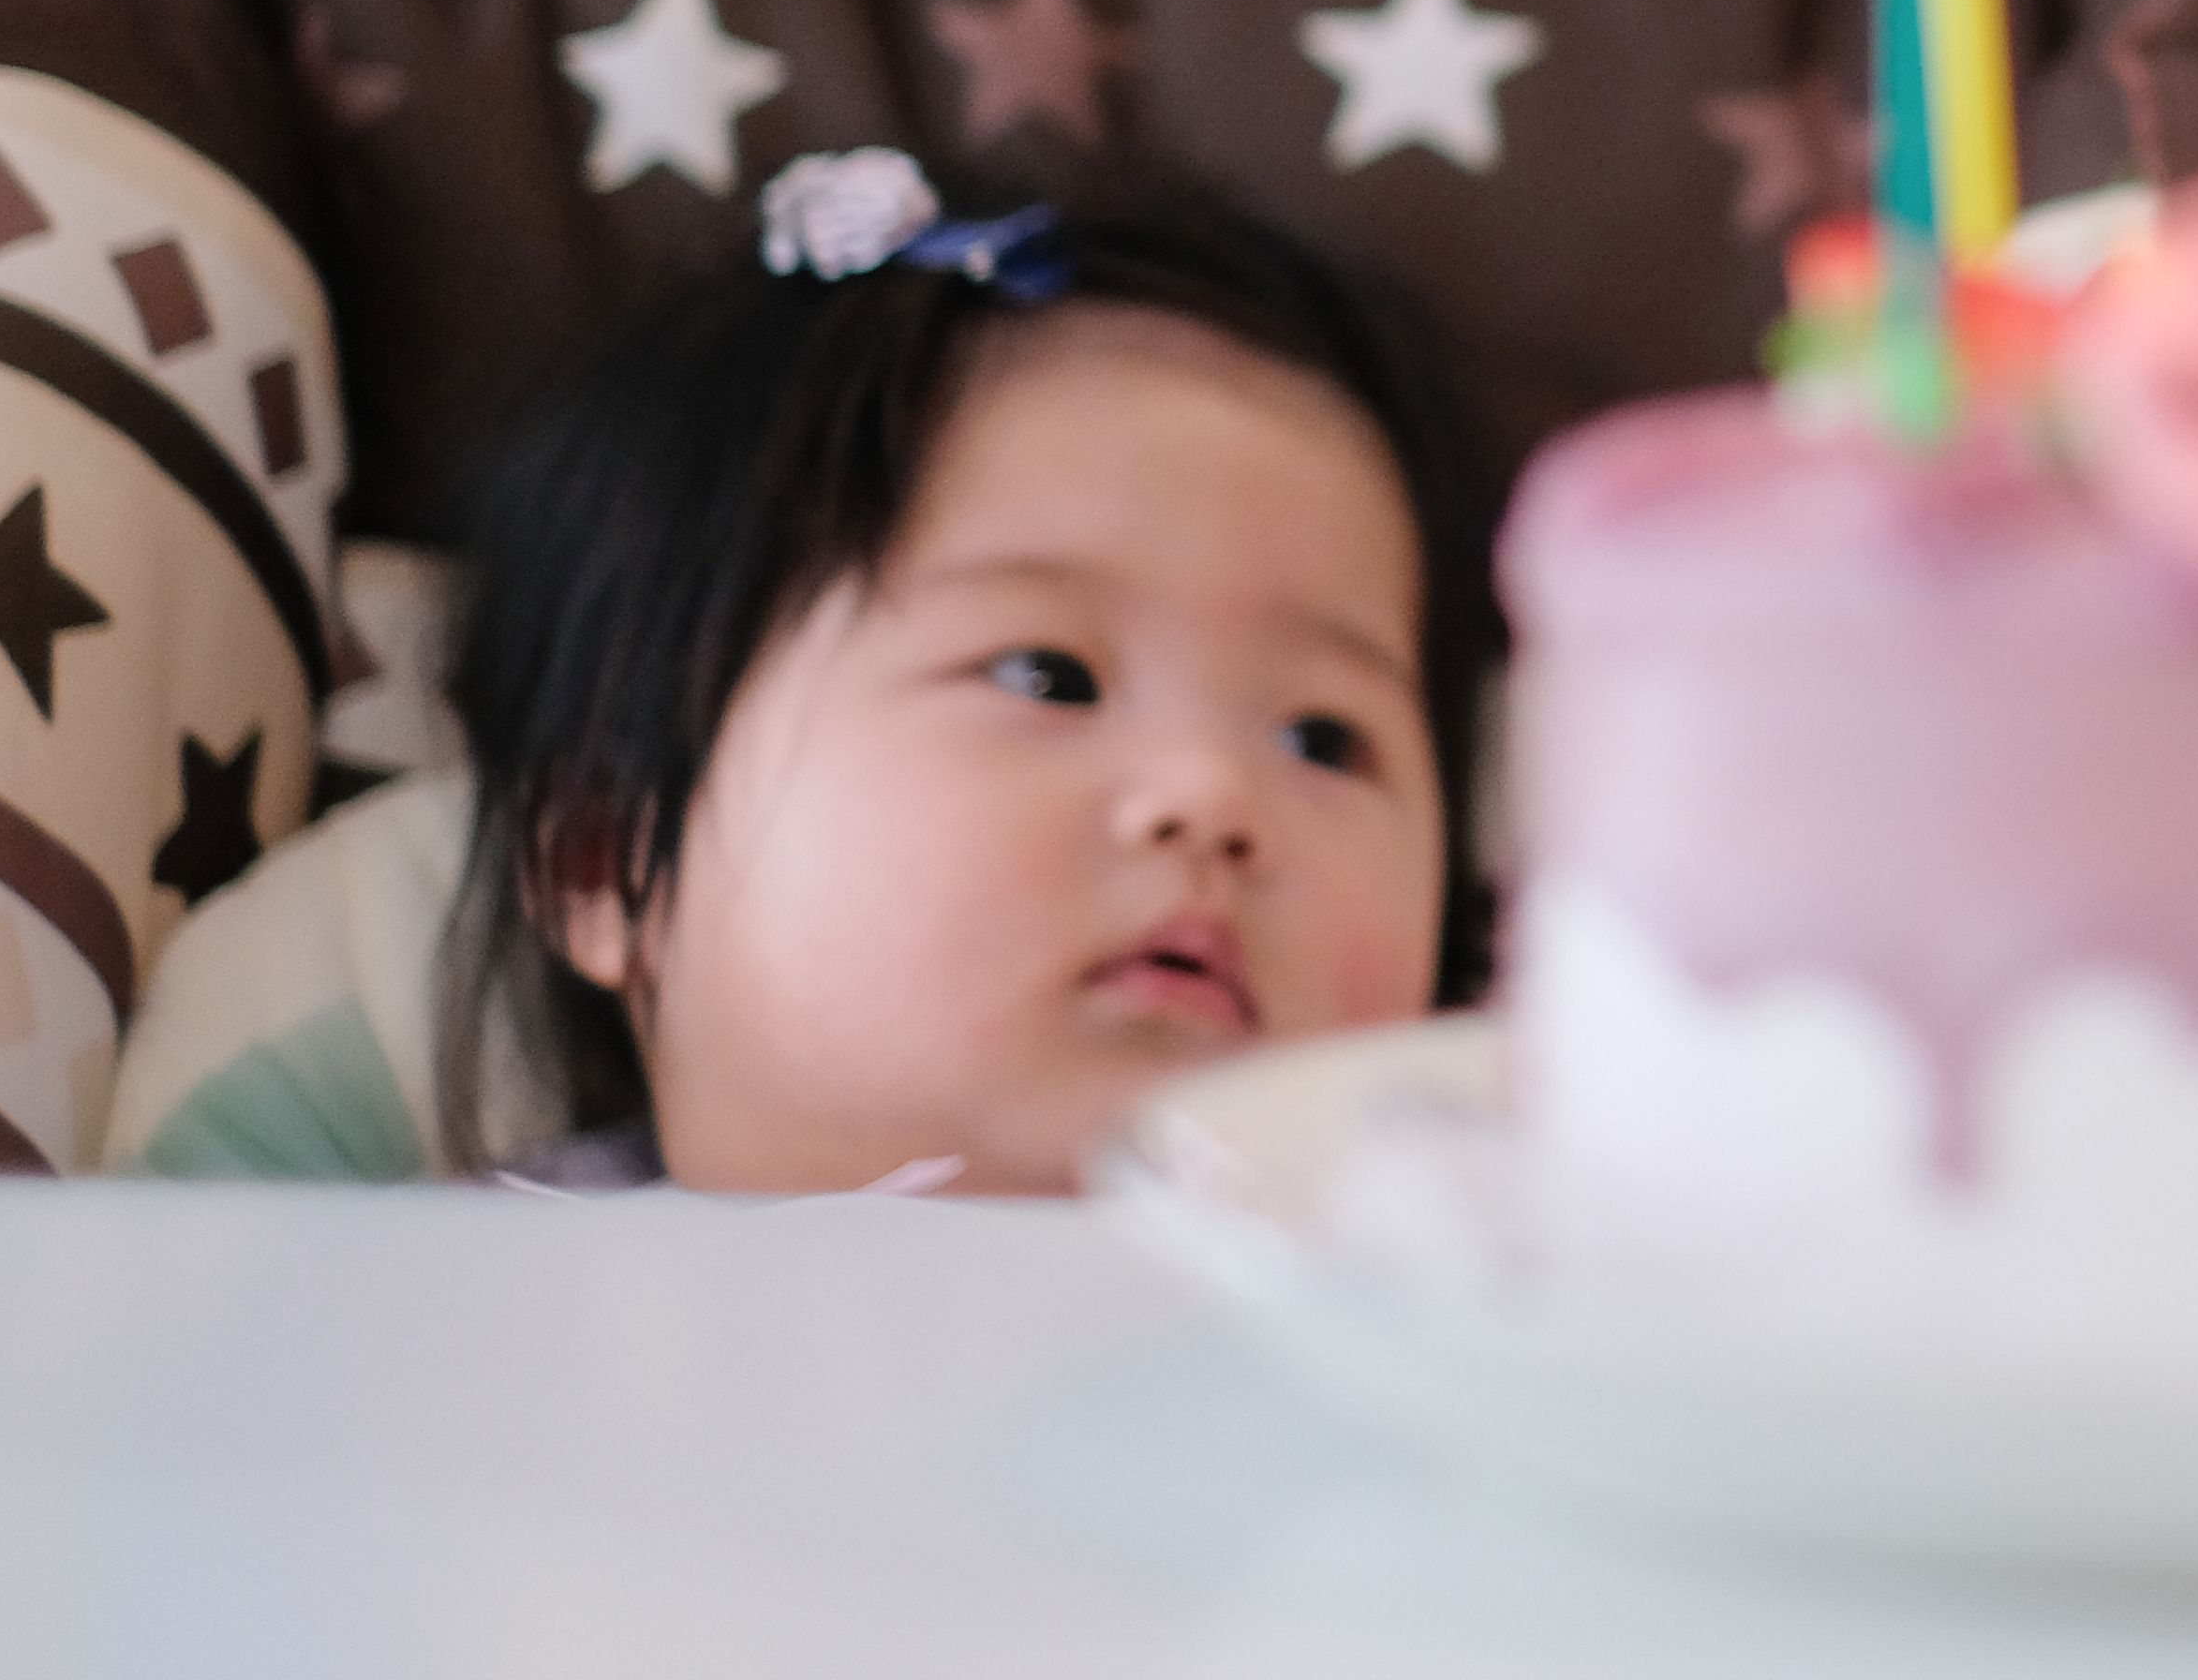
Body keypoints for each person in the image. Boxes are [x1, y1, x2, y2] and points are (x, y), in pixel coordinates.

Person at [436, 152, 1494, 1194]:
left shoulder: (1483, 1330)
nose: (1213, 797)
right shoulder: (456, 1310)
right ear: (598, 851)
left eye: (1323, 739)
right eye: (1047, 678)